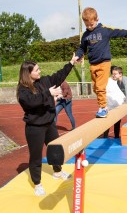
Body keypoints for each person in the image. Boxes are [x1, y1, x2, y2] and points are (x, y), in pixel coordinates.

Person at [16, 53, 79, 196]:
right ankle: (37, 183)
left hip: (49, 123)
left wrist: (71, 62)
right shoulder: (22, 90)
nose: (40, 71)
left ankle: (58, 171)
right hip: (35, 127)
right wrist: (48, 93)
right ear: (28, 73)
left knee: (55, 150)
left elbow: (59, 76)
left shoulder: (44, 81)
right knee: (36, 156)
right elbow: (31, 102)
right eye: (37, 70)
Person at [76, 7, 127, 118]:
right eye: (87, 25)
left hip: (104, 63)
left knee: (100, 87)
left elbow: (122, 32)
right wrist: (78, 55)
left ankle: (103, 108)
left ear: (97, 19)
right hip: (93, 64)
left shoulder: (105, 30)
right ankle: (104, 103)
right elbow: (82, 48)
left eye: (92, 24)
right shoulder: (85, 35)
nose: (89, 27)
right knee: (95, 88)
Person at [103, 65, 126, 138]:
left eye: (115, 73)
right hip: (109, 106)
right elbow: (104, 92)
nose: (114, 75)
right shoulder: (107, 81)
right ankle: (105, 137)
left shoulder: (121, 81)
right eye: (113, 73)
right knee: (107, 123)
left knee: (117, 123)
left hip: (118, 106)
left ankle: (116, 136)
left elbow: (124, 92)